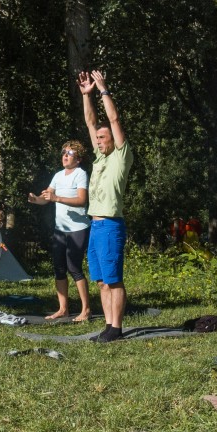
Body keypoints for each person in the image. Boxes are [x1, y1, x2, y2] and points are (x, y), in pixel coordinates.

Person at [79, 69, 132, 342]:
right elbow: (91, 123)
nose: (99, 141)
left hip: (111, 225)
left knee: (113, 279)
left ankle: (117, 328)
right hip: (95, 224)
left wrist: (103, 90)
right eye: (98, 139)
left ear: (113, 140)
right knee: (100, 280)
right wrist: (87, 96)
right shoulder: (99, 159)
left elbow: (113, 118)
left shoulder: (120, 157)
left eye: (103, 138)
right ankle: (109, 325)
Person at [27, 138, 92, 322]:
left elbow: (81, 201)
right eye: (64, 152)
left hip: (78, 229)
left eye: (69, 153)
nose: (65, 155)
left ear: (78, 159)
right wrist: (35, 199)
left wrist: (57, 198)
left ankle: (85, 310)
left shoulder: (80, 174)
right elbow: (46, 197)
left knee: (74, 268)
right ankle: (63, 309)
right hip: (60, 230)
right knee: (59, 268)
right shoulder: (57, 175)